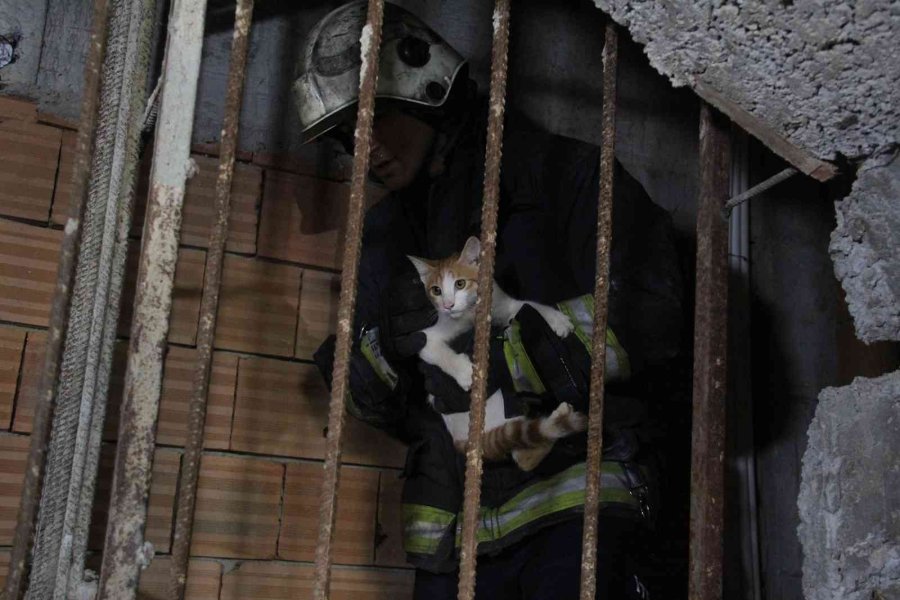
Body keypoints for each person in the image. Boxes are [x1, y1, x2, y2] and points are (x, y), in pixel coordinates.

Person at [295, 2, 684, 598]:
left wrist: (504, 339)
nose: (363, 147)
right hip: (457, 546)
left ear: (427, 91)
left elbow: (653, 322)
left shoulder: (563, 178)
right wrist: (386, 349)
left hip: (579, 516)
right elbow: (367, 399)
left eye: (376, 118)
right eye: (348, 133)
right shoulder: (382, 242)